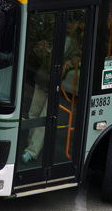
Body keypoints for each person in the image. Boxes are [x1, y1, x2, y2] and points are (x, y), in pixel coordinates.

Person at [22, 18, 84, 164]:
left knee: (45, 116)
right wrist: (40, 48)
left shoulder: (79, 42)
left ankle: (32, 151)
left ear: (77, 25)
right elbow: (38, 53)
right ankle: (31, 145)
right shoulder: (54, 33)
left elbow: (79, 57)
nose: (70, 24)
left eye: (73, 22)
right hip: (43, 78)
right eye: (69, 22)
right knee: (33, 113)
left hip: (57, 83)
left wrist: (69, 62)